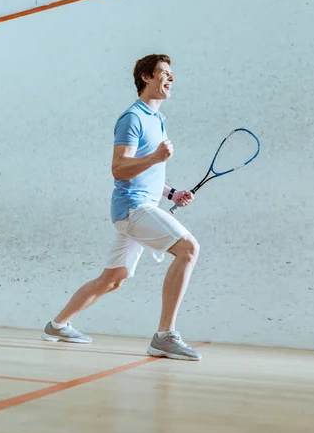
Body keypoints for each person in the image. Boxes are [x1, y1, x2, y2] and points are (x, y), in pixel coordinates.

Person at [42, 54, 201, 361]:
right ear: (146, 77)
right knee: (188, 249)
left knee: (113, 278)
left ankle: (57, 325)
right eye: (165, 73)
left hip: (140, 205)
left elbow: (145, 173)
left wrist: (170, 194)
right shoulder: (133, 118)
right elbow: (119, 168)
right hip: (133, 208)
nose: (171, 79)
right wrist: (156, 157)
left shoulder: (157, 120)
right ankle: (165, 337)